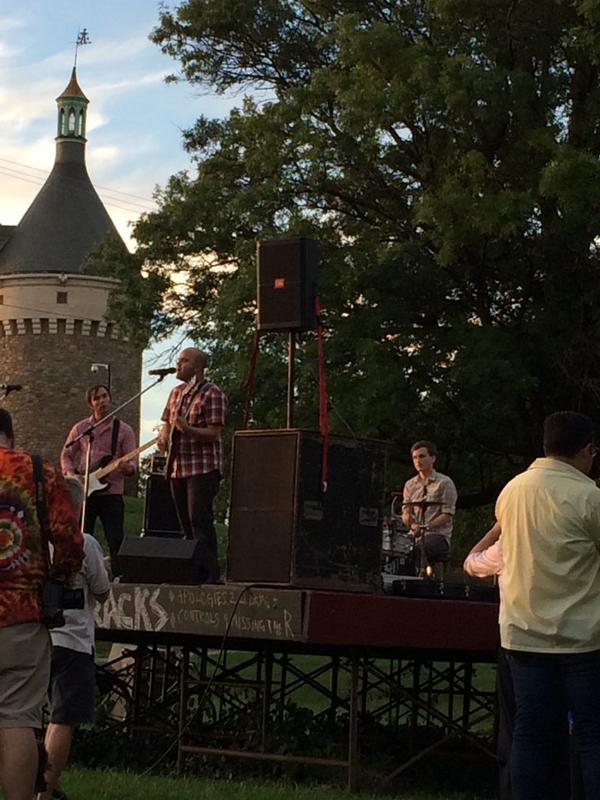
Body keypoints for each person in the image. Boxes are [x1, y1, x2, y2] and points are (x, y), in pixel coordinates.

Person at [496, 411, 600, 799]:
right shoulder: (589, 497)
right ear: (588, 450)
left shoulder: (512, 490)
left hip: (522, 634)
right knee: (592, 735)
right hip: (582, 638)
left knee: (530, 732)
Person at [0, 408, 83, 800]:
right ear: (10, 437)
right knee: (17, 718)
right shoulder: (37, 470)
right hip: (23, 614)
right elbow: (69, 539)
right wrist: (56, 580)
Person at [38, 478, 110, 800]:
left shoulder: (36, 542)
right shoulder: (86, 543)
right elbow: (103, 592)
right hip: (73, 641)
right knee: (62, 720)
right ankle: (45, 793)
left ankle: (31, 784)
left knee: (25, 717)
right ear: (78, 506)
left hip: (35, 638)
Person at [158, 348, 228, 584]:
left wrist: (187, 429)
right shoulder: (175, 393)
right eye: (178, 361)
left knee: (199, 518)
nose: (178, 365)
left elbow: (214, 432)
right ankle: (191, 570)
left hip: (203, 467)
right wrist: (163, 437)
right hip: (178, 466)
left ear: (197, 367)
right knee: (184, 523)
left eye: (183, 361)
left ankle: (209, 573)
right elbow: (167, 422)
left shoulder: (212, 393)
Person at [61, 384, 137, 576]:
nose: (102, 401)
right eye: (97, 398)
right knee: (82, 534)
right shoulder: (82, 429)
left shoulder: (124, 430)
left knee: (115, 536)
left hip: (112, 492)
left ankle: (120, 575)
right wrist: (71, 475)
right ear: (91, 404)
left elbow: (132, 464)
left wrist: (126, 467)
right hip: (86, 490)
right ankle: (77, 573)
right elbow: (66, 454)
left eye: (105, 396)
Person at [401, 440, 457, 575]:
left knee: (418, 549)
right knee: (395, 548)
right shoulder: (410, 485)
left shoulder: (445, 483)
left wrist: (425, 527)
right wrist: (411, 522)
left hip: (438, 536)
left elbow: (447, 514)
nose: (418, 461)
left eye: (422, 456)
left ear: (432, 458)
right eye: (415, 457)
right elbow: (405, 511)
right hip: (415, 535)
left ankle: (419, 579)